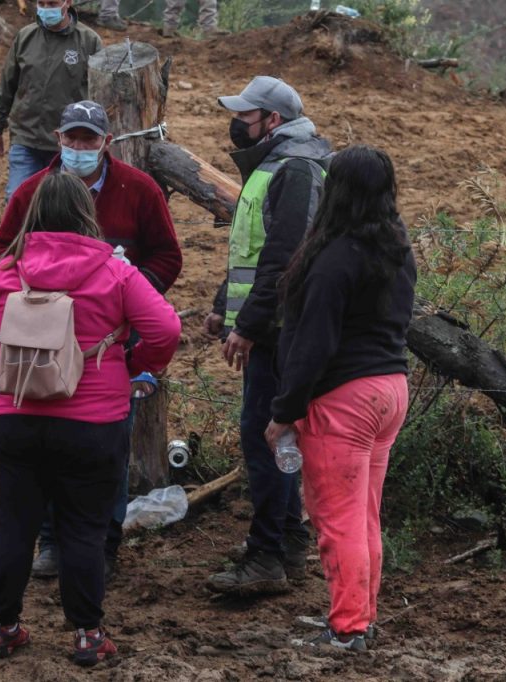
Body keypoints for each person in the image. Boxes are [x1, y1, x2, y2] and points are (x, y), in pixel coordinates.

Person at [0, 173, 181, 667]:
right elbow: (165, 327)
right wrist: (136, 364)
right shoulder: (115, 271)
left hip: (12, 416)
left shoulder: (7, 269)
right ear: (86, 214)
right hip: (94, 422)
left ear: (34, 214)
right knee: (84, 529)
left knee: (12, 523)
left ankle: (2, 627)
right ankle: (87, 636)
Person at [0, 100, 182, 579]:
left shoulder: (138, 190)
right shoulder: (33, 191)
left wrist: (132, 291)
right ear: (57, 138)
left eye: (88, 140)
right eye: (71, 139)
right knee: (48, 453)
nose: (78, 148)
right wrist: (33, 287)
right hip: (40, 347)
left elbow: (167, 256)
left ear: (106, 143)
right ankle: (52, 542)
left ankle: (103, 546)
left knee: (106, 454)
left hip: (108, 348)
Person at [265, 145, 416, 651]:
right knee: (365, 513)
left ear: (338, 190)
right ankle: (359, 616)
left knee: (338, 519)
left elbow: (315, 343)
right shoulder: (396, 247)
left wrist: (284, 411)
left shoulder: (335, 257)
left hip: (345, 400)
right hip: (390, 390)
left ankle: (348, 627)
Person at [203, 76, 331, 595]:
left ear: (271, 120)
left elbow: (284, 258)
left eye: (245, 114)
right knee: (278, 442)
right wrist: (222, 308)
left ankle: (268, 558)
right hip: (274, 328)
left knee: (269, 440)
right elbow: (250, 252)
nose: (237, 123)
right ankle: (288, 543)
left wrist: (249, 326)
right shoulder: (279, 164)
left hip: (280, 333)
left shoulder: (296, 168)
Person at [0, 0, 102, 201]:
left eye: (52, 3)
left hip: (67, 145)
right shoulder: (25, 37)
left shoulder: (89, 41)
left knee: (62, 205)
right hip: (26, 138)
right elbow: (8, 84)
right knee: (17, 199)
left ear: (68, 2)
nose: (46, 9)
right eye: (42, 3)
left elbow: (101, 95)